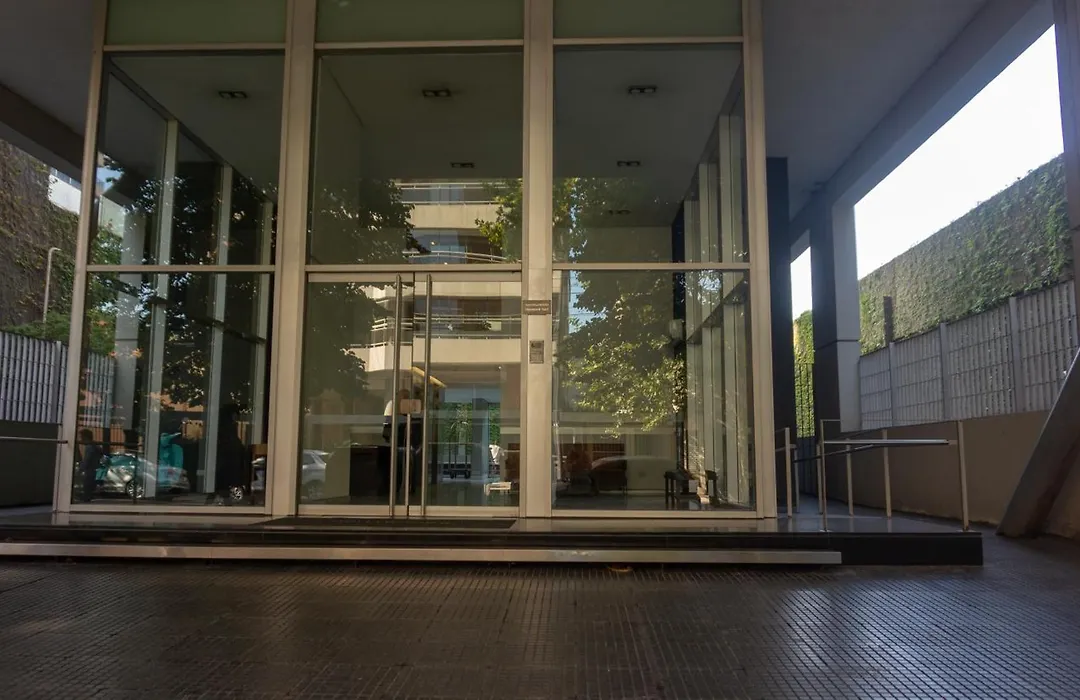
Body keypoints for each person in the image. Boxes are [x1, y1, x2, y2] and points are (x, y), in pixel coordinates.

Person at [78, 428, 104, 503]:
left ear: (85, 437)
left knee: (87, 485)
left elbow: (87, 459)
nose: (81, 439)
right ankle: (88, 497)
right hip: (96, 469)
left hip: (90, 470)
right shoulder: (95, 446)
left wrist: (81, 469)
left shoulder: (89, 447)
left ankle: (86, 498)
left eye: (81, 437)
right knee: (90, 486)